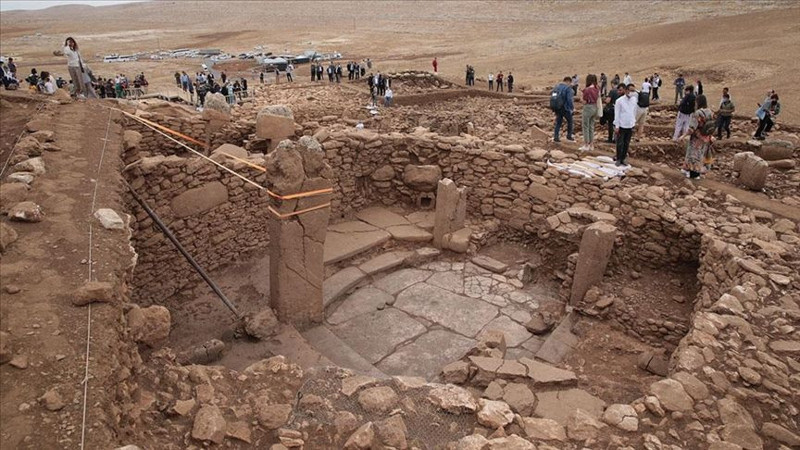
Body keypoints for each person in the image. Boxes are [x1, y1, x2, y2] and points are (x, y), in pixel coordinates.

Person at [679, 95, 714, 178]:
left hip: (697, 138)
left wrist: (683, 136)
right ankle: (689, 169)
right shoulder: (710, 112)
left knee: (693, 155)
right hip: (705, 137)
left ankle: (694, 174)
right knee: (700, 155)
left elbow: (692, 128)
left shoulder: (698, 113)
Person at [613, 83, 638, 166]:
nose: (632, 93)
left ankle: (623, 158)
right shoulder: (619, 101)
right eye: (631, 90)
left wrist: (633, 122)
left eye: (633, 91)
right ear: (626, 90)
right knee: (620, 143)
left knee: (626, 143)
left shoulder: (634, 100)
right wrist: (617, 126)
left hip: (630, 125)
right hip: (621, 125)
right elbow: (617, 114)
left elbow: (634, 111)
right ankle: (618, 158)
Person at [552, 76, 575, 143]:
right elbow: (569, 99)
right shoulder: (568, 88)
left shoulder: (556, 87)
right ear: (568, 81)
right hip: (565, 108)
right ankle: (569, 136)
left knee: (558, 122)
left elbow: (553, 97)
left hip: (557, 107)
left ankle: (556, 137)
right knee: (570, 121)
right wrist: (572, 108)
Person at [580, 74, 600, 152]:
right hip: (595, 107)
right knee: (591, 126)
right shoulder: (597, 89)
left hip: (588, 107)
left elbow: (584, 101)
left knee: (585, 126)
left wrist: (581, 97)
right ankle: (591, 144)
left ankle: (586, 144)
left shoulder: (587, 90)